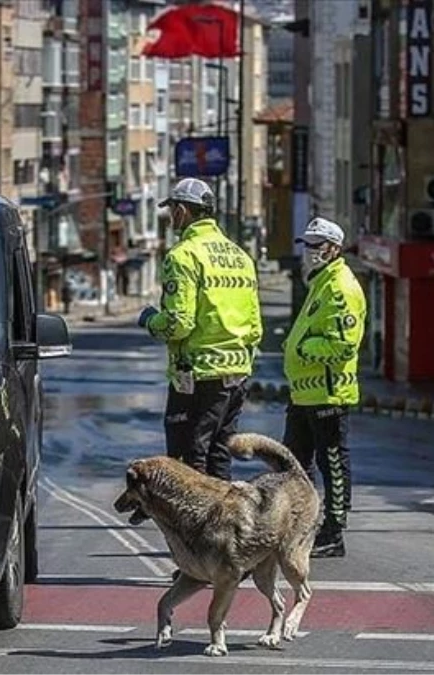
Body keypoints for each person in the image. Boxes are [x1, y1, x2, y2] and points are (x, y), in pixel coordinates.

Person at [137, 177, 263, 481]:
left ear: (182, 211)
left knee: (188, 458)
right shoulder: (240, 257)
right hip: (237, 375)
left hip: (197, 376)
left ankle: (197, 526)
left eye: (172, 212)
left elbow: (179, 324)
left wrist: (150, 321)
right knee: (219, 453)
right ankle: (226, 522)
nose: (170, 218)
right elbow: (256, 327)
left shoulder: (183, 256)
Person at [282, 217, 367, 558]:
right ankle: (300, 525)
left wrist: (302, 349)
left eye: (316, 245)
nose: (310, 251)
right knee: (293, 462)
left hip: (328, 392)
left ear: (334, 248)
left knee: (332, 461)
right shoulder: (321, 282)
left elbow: (344, 345)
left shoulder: (340, 287)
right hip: (304, 393)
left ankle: (334, 532)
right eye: (307, 244)